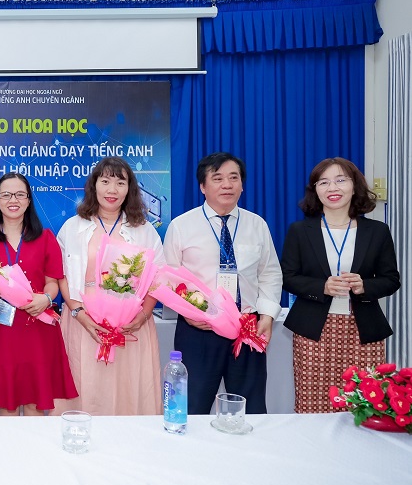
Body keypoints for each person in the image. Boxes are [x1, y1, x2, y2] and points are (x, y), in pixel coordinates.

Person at [162, 152, 282, 415]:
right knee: (192, 407)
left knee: (250, 408)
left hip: (247, 328)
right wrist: (188, 313)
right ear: (203, 187)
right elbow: (166, 279)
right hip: (199, 329)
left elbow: (270, 273)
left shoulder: (257, 225)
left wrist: (267, 315)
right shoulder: (181, 226)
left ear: (242, 185)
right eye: (217, 178)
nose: (227, 185)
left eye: (233, 178)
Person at [281, 157, 400, 413]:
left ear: (354, 186)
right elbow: (288, 277)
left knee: (364, 403)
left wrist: (364, 285)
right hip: (313, 330)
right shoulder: (300, 231)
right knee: (313, 404)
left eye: (340, 180)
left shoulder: (377, 231)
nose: (332, 188)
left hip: (363, 329)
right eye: (323, 182)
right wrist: (321, 287)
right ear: (315, 190)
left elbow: (391, 279)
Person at [54, 158, 164, 416]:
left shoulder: (144, 230)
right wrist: (78, 312)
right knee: (85, 387)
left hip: (130, 325)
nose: (112, 189)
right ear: (94, 186)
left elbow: (158, 279)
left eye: (120, 183)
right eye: (105, 181)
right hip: (83, 322)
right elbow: (61, 275)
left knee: (127, 389)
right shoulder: (72, 227)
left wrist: (143, 315)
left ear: (130, 189)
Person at [0, 173, 77, 415]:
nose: (12, 200)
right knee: (7, 403)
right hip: (2, 331)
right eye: (6, 195)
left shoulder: (46, 238)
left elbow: (52, 283)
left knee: (36, 403)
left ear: (28, 200)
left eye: (19, 194)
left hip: (39, 327)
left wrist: (46, 298)